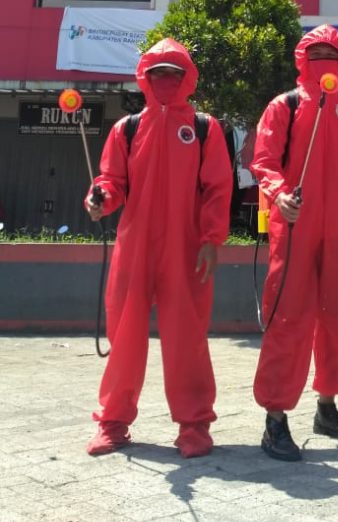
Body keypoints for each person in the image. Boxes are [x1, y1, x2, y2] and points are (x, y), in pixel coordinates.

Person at [84, 38, 232, 457]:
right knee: (124, 336)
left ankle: (194, 425)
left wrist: (212, 239)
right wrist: (99, 199)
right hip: (135, 246)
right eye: (158, 73)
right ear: (145, 78)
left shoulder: (204, 127)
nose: (165, 80)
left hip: (187, 247)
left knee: (187, 338)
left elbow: (217, 188)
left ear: (187, 78)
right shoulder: (127, 129)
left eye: (173, 73)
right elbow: (111, 181)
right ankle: (113, 422)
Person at [250, 24, 338, 461]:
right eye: (316, 52)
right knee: (288, 320)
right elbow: (264, 161)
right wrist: (278, 194)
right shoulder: (284, 105)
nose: (324, 59)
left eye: (331, 52)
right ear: (303, 58)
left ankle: (327, 406)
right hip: (294, 229)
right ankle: (275, 418)